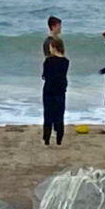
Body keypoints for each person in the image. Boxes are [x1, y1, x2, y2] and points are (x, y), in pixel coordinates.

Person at [40, 15, 69, 147]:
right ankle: (56, 133)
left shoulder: (55, 43)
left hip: (52, 84)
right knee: (56, 111)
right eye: (59, 26)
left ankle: (53, 133)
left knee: (51, 111)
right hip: (56, 84)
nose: (60, 28)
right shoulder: (49, 42)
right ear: (53, 26)